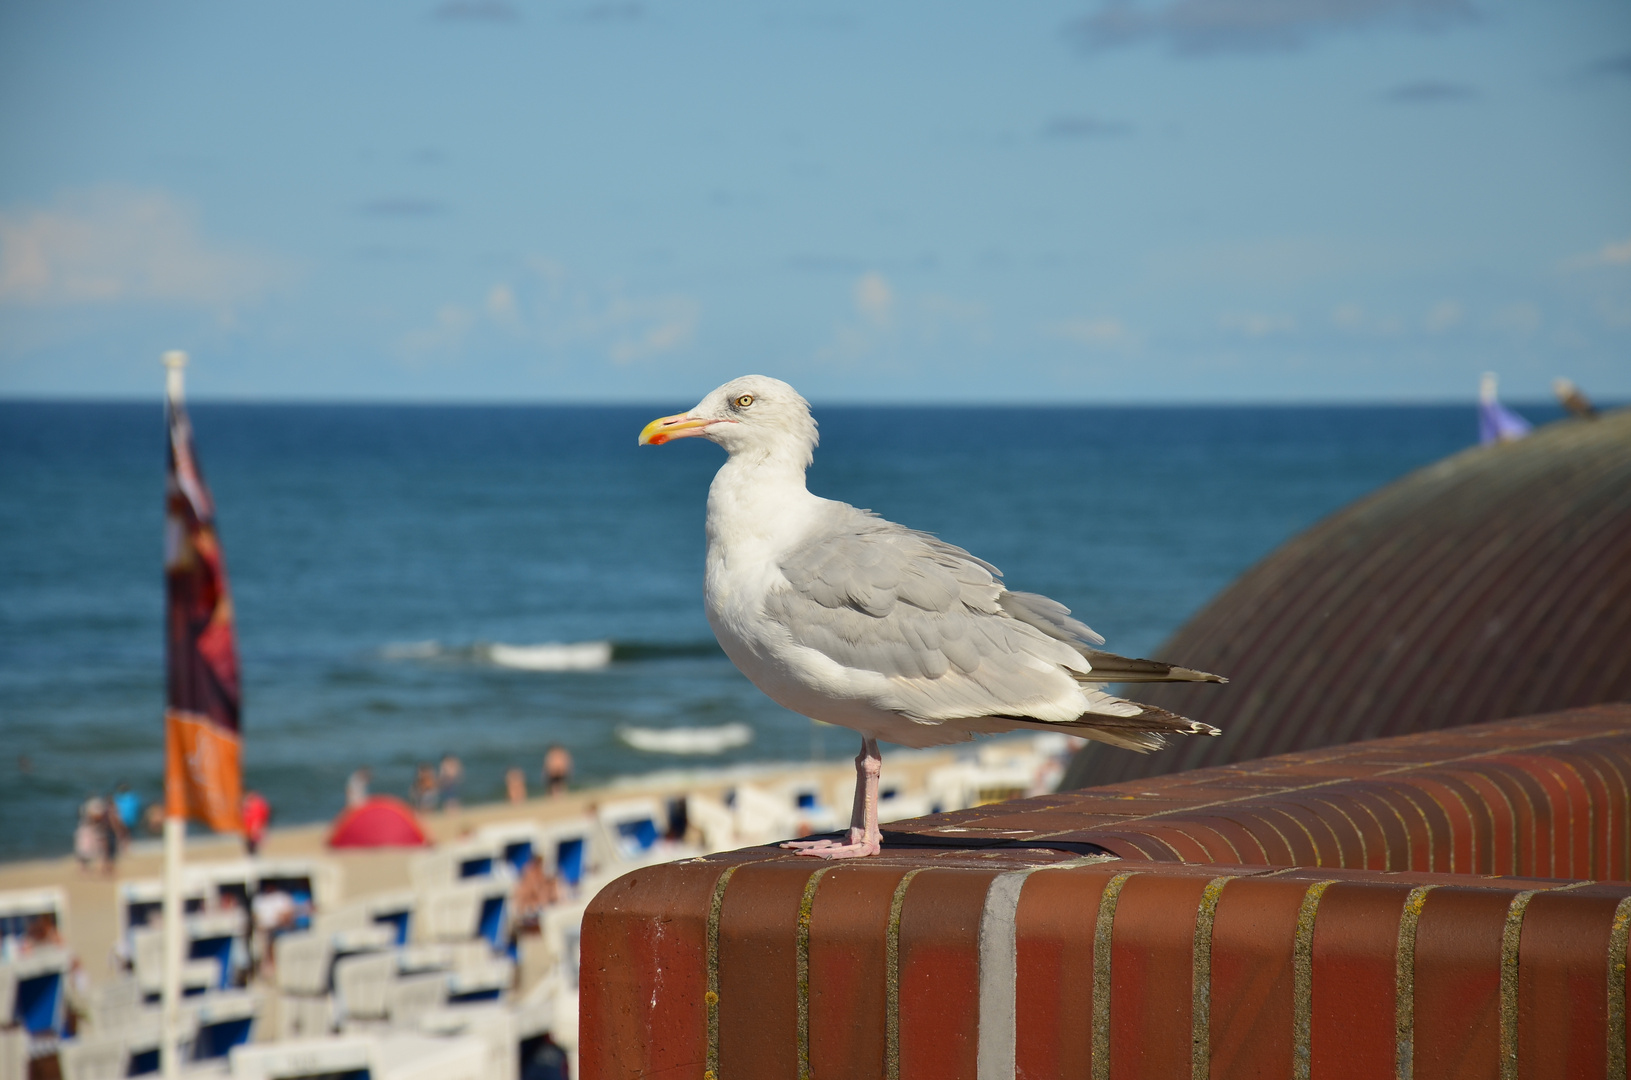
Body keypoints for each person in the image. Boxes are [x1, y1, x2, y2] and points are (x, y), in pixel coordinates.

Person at [74, 798, 107, 874]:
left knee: (84, 851)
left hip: (87, 832)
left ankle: (84, 869)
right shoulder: (90, 814)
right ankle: (84, 869)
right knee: (86, 851)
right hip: (88, 833)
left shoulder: (84, 810)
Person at [242, 790, 270, 856]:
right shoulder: (249, 803)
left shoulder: (256, 804)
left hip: (254, 825)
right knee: (250, 842)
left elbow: (259, 816)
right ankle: (252, 855)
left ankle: (253, 855)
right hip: (249, 826)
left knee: (253, 842)